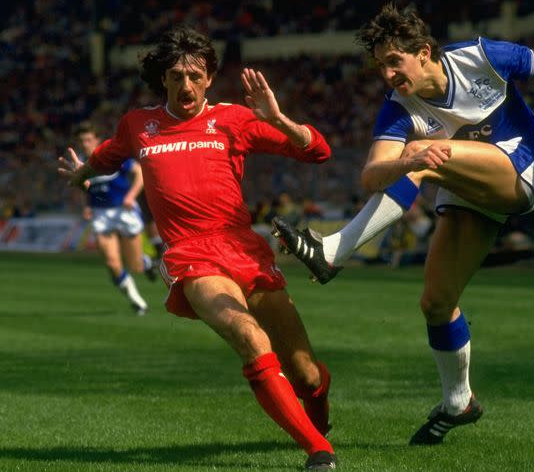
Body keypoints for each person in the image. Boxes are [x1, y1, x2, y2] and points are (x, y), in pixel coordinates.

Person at [272, 1, 534, 446]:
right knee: (436, 302)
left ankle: (332, 253)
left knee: (427, 158)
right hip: (467, 189)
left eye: (394, 62)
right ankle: (459, 401)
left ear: (425, 52)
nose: (388, 75)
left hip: (523, 168)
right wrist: (409, 158)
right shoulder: (398, 106)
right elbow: (372, 174)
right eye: (380, 66)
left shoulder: (480, 56)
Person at [57, 25, 337, 470]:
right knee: (250, 338)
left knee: (305, 372)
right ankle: (318, 452)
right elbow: (105, 156)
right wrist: (81, 173)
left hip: (244, 249)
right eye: (175, 76)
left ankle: (317, 423)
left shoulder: (234, 119)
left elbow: (318, 152)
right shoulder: (138, 126)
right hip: (191, 255)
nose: (185, 85)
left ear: (208, 78)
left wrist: (279, 120)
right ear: (162, 80)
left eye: (195, 75)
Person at [74, 121, 157, 316]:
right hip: (100, 215)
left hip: (124, 211)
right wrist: (85, 205)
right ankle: (137, 301)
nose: (85, 144)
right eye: (81, 141)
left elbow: (140, 174)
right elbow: (80, 186)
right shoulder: (80, 161)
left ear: (96, 140)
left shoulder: (110, 154)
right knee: (112, 263)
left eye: (88, 140)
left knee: (135, 265)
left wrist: (130, 196)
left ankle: (147, 263)